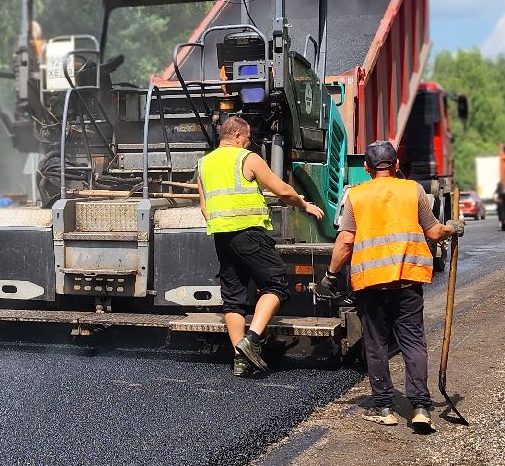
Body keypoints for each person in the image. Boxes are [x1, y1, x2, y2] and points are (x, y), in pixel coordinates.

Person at [323, 140, 463, 431]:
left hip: (371, 283)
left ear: (366, 168)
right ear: (397, 165)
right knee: (413, 341)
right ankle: (421, 407)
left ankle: (385, 407)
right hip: (408, 280)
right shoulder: (414, 190)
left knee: (376, 345)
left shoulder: (357, 196)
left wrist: (331, 274)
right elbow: (435, 232)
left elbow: (346, 241)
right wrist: (453, 226)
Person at [198, 115, 325, 376]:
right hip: (249, 234)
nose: (249, 143)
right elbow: (283, 191)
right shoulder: (247, 158)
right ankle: (252, 340)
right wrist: (305, 205)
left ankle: (240, 360)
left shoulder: (203, 164)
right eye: (247, 138)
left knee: (233, 299)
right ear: (236, 136)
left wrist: (223, 224)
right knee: (276, 284)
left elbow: (204, 207)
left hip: (222, 237)